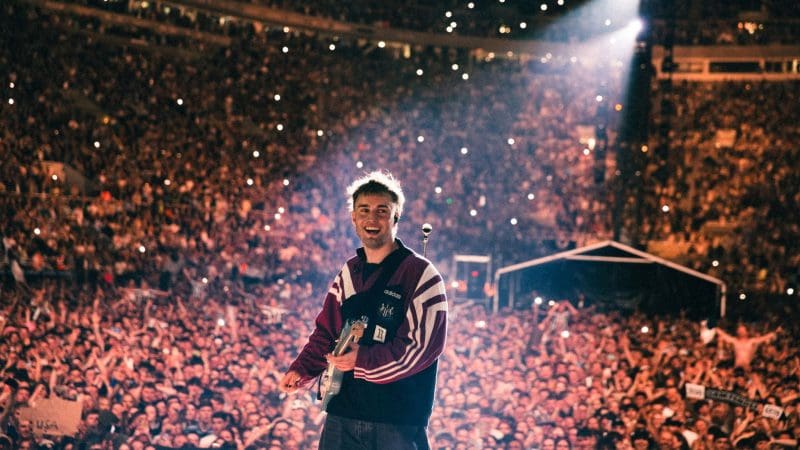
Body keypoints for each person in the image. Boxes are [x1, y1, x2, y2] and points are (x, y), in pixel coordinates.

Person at [279, 171, 448, 449]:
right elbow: (326, 332)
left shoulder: (422, 275)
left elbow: (422, 348)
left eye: (382, 211)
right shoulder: (349, 272)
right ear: (354, 218)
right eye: (364, 210)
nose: (372, 218)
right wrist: (303, 368)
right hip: (342, 414)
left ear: (396, 217)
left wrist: (363, 359)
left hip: (397, 420)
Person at [715, 324, 780, 369]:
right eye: (739, 330)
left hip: (747, 366)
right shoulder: (735, 341)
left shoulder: (751, 341)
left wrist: (775, 332)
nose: (741, 332)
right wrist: (714, 327)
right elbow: (724, 335)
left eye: (742, 330)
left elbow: (763, 338)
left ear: (747, 332)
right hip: (737, 366)